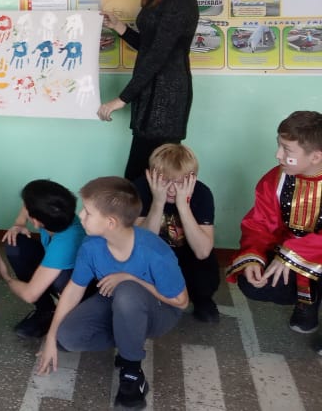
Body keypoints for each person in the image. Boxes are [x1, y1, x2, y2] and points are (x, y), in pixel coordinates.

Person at [36, 177, 187, 409]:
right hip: (118, 301)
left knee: (127, 290)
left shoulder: (153, 251)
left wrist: (132, 278)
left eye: (87, 212)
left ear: (110, 222)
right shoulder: (91, 245)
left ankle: (132, 373)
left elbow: (181, 301)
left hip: (160, 312)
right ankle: (129, 341)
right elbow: (73, 291)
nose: (80, 216)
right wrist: (50, 338)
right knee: (68, 337)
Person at [98, 0, 199, 180]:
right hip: (150, 94)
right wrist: (119, 27)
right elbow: (150, 47)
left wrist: (122, 99)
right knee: (141, 177)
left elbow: (158, 57)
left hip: (167, 97)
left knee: (153, 178)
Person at [227, 111, 322, 352]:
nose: (277, 155)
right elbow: (259, 224)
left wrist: (294, 252)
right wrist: (254, 255)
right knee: (252, 281)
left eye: (287, 150)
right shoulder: (276, 179)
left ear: (315, 156)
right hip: (287, 257)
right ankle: (307, 303)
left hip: (299, 254)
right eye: (278, 146)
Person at [134, 143, 220, 323]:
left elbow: (202, 251)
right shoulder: (141, 188)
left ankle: (201, 299)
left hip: (188, 258)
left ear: (192, 180)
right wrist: (158, 202)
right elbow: (141, 244)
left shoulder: (202, 193)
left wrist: (183, 205)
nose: (172, 189)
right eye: (165, 181)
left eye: (180, 182)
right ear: (151, 176)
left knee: (205, 274)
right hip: (155, 257)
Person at [0, 179, 86, 339]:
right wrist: (19, 223)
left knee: (59, 280)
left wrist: (5, 277)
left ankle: (69, 314)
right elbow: (27, 206)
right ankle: (46, 310)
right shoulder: (56, 214)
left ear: (36, 222)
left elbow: (30, 294)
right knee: (15, 243)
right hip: (57, 259)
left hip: (81, 287)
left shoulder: (64, 244)